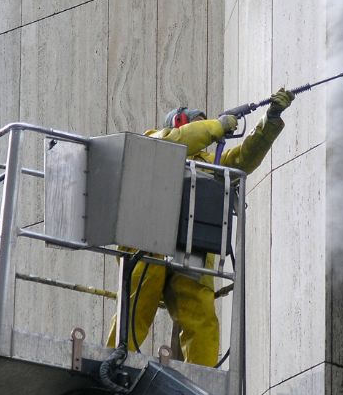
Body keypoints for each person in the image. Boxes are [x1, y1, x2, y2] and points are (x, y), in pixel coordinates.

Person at [106, 88, 295, 366]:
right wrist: (217, 126)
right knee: (136, 307)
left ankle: (202, 376)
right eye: (199, 126)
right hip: (147, 243)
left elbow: (243, 159)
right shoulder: (154, 141)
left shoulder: (210, 164)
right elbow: (176, 143)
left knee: (201, 318)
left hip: (191, 250)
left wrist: (270, 119)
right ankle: (114, 359)